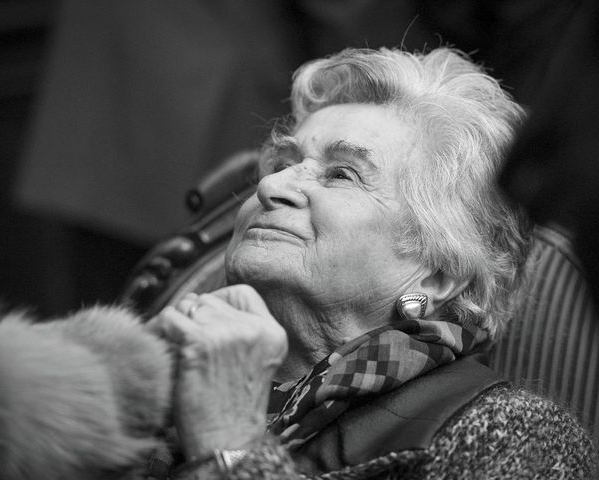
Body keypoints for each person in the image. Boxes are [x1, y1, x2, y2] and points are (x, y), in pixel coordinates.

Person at [146, 47, 599, 478]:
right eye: (281, 164)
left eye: (341, 174)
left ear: (440, 271)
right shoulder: (160, 362)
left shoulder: (511, 437)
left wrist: (228, 443)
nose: (272, 187)